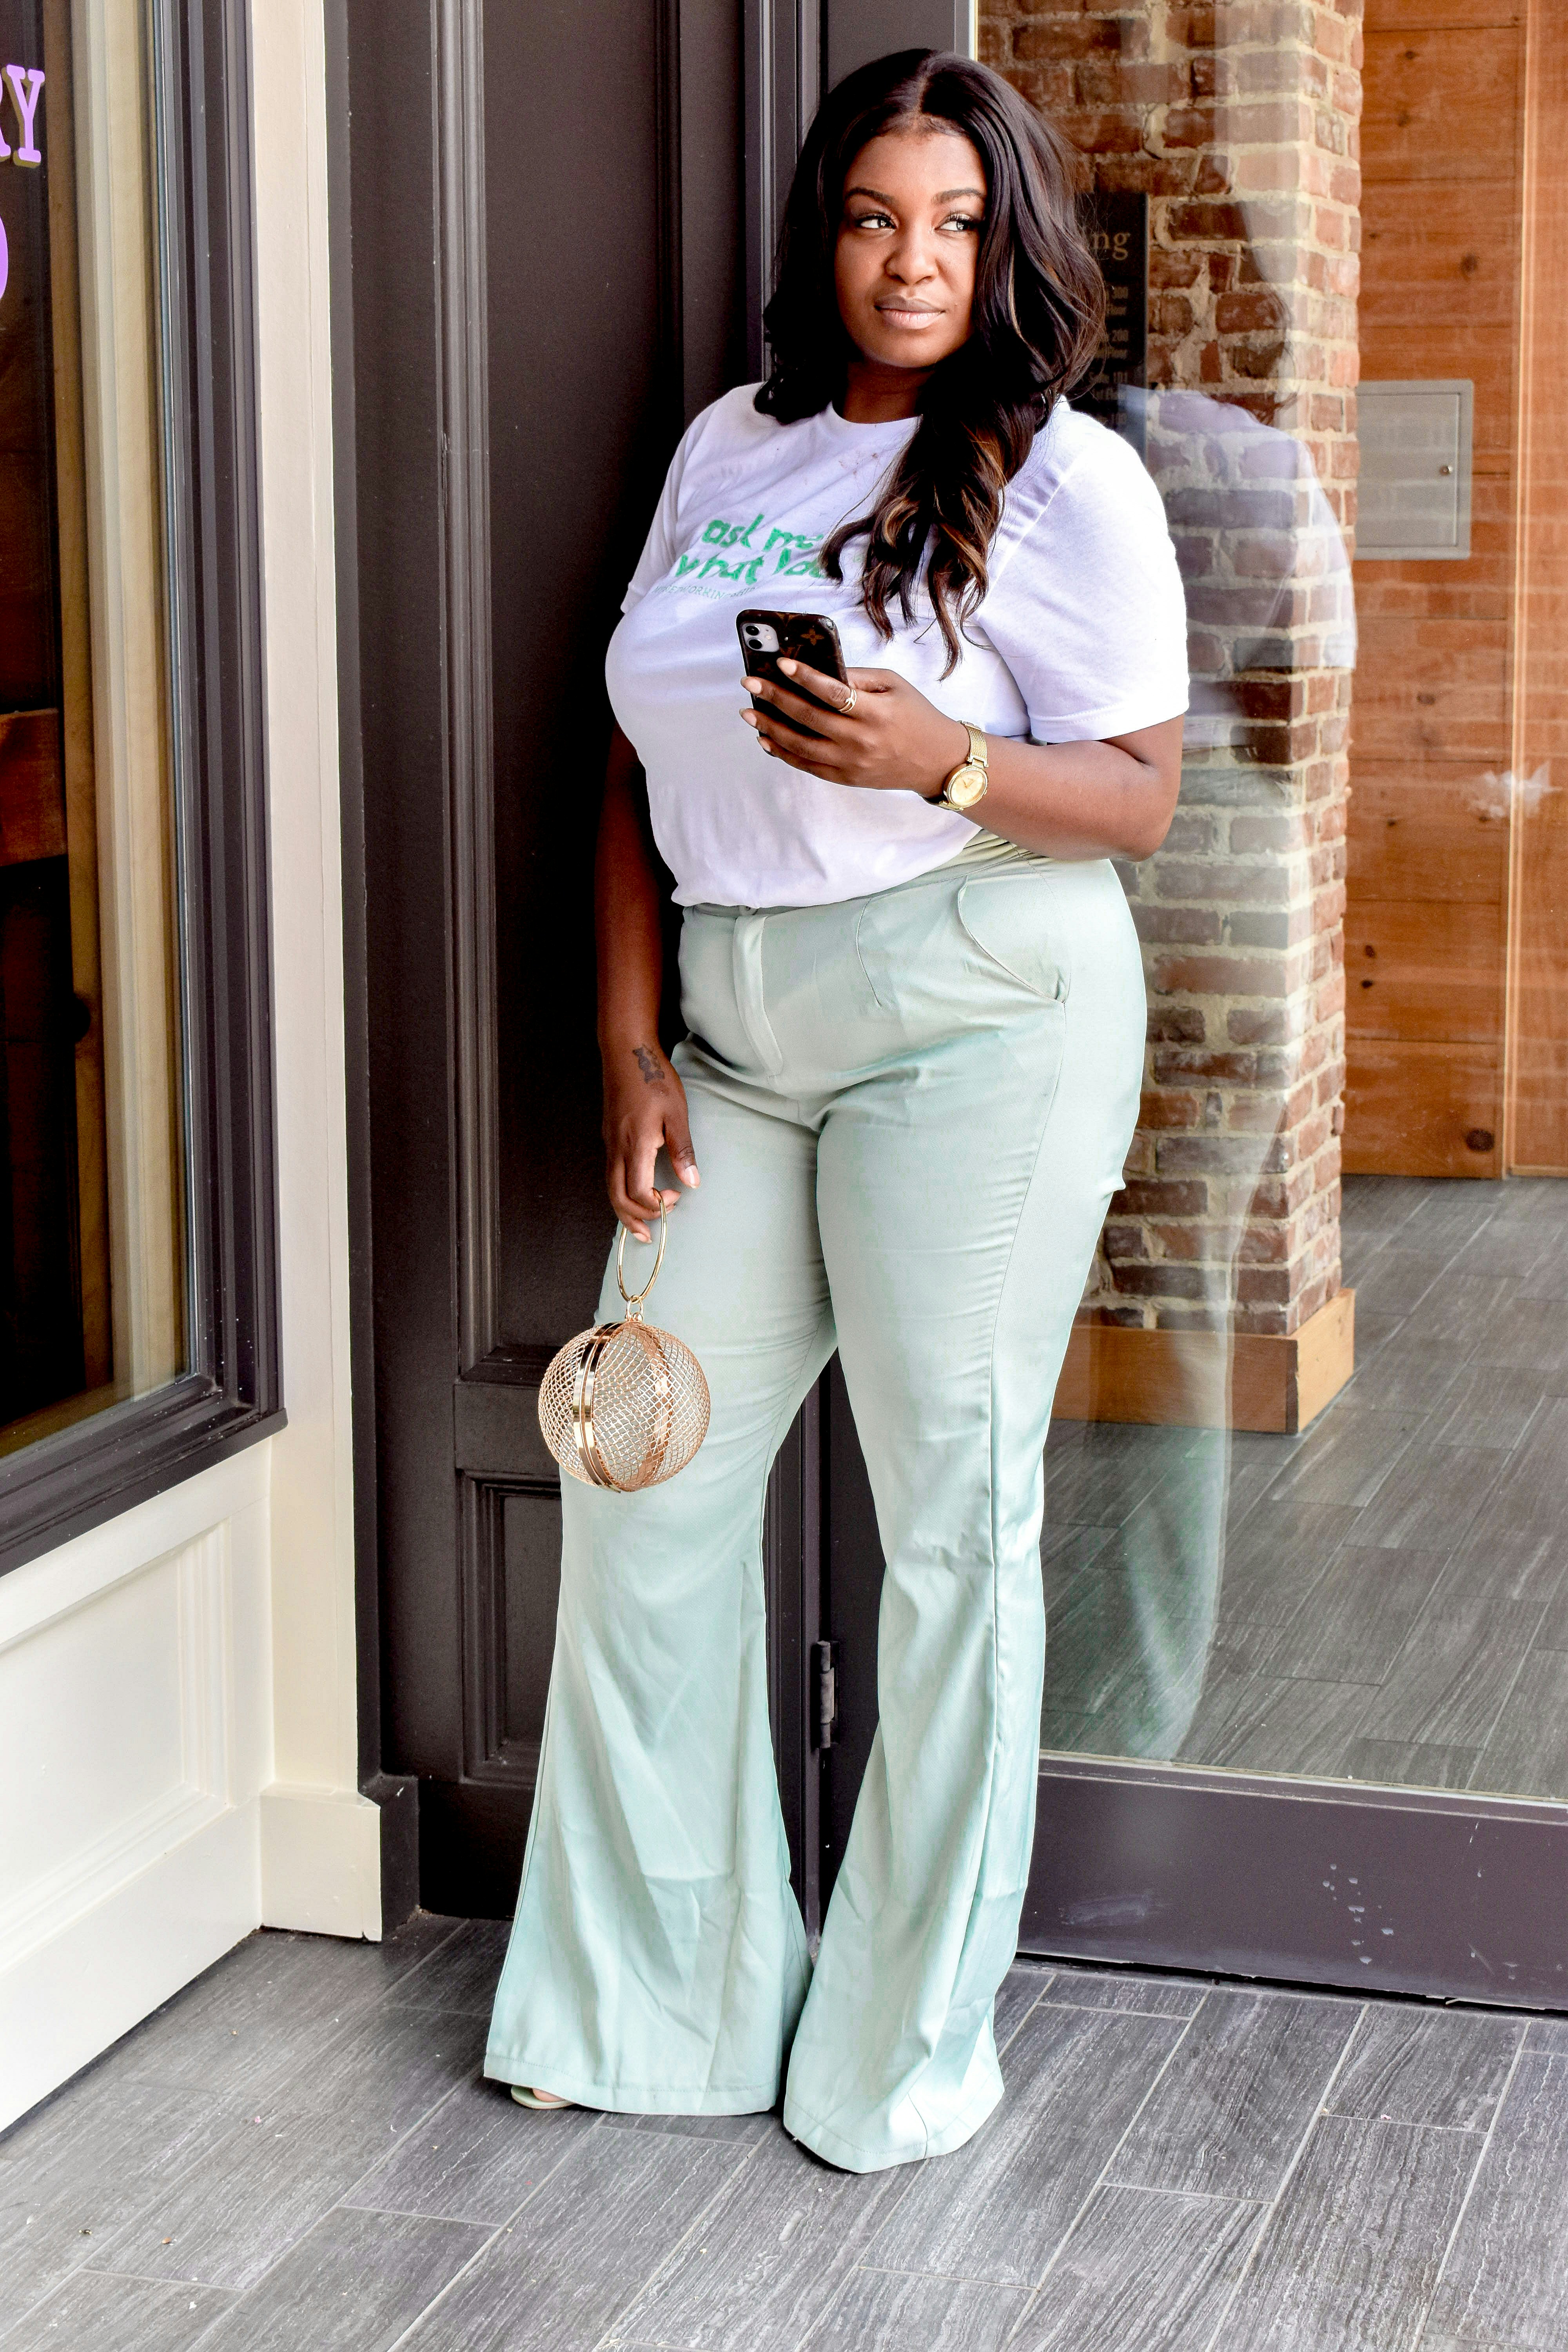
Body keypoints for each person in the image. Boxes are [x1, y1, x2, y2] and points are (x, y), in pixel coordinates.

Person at [484, 46, 1188, 2174]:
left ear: (1011, 246)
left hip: (975, 1003)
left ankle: (906, 2043)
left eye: (959, 225)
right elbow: (632, 762)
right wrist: (631, 1052)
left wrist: (938, 758)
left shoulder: (1069, 478)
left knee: (951, 1523)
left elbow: (1139, 798)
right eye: (879, 218)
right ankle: (658, 2000)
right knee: (643, 1473)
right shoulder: (734, 439)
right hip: (733, 1022)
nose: (915, 263)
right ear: (827, 235)